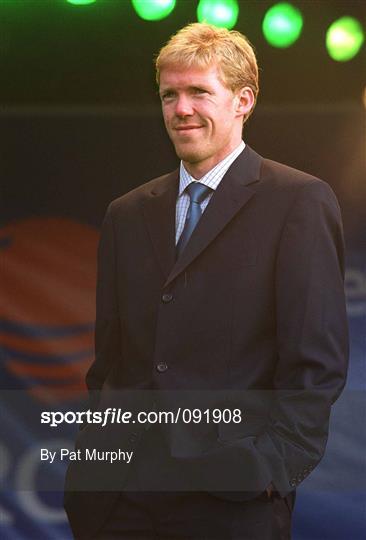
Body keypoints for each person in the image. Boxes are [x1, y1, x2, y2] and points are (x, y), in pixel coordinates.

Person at [64, 23, 349, 540]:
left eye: (199, 92)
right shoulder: (126, 214)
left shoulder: (298, 202)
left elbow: (317, 365)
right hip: (118, 499)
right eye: (170, 94)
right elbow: (109, 361)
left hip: (232, 503)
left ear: (244, 101)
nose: (181, 109)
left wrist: (271, 471)